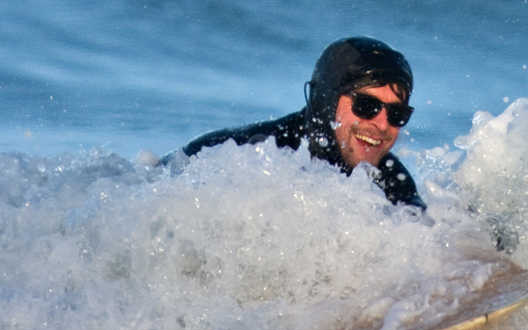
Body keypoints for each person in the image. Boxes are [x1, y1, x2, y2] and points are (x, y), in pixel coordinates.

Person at [174, 36, 425, 209]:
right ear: (326, 100)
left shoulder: (393, 182)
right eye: (366, 106)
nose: (382, 125)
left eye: (396, 114)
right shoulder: (249, 155)